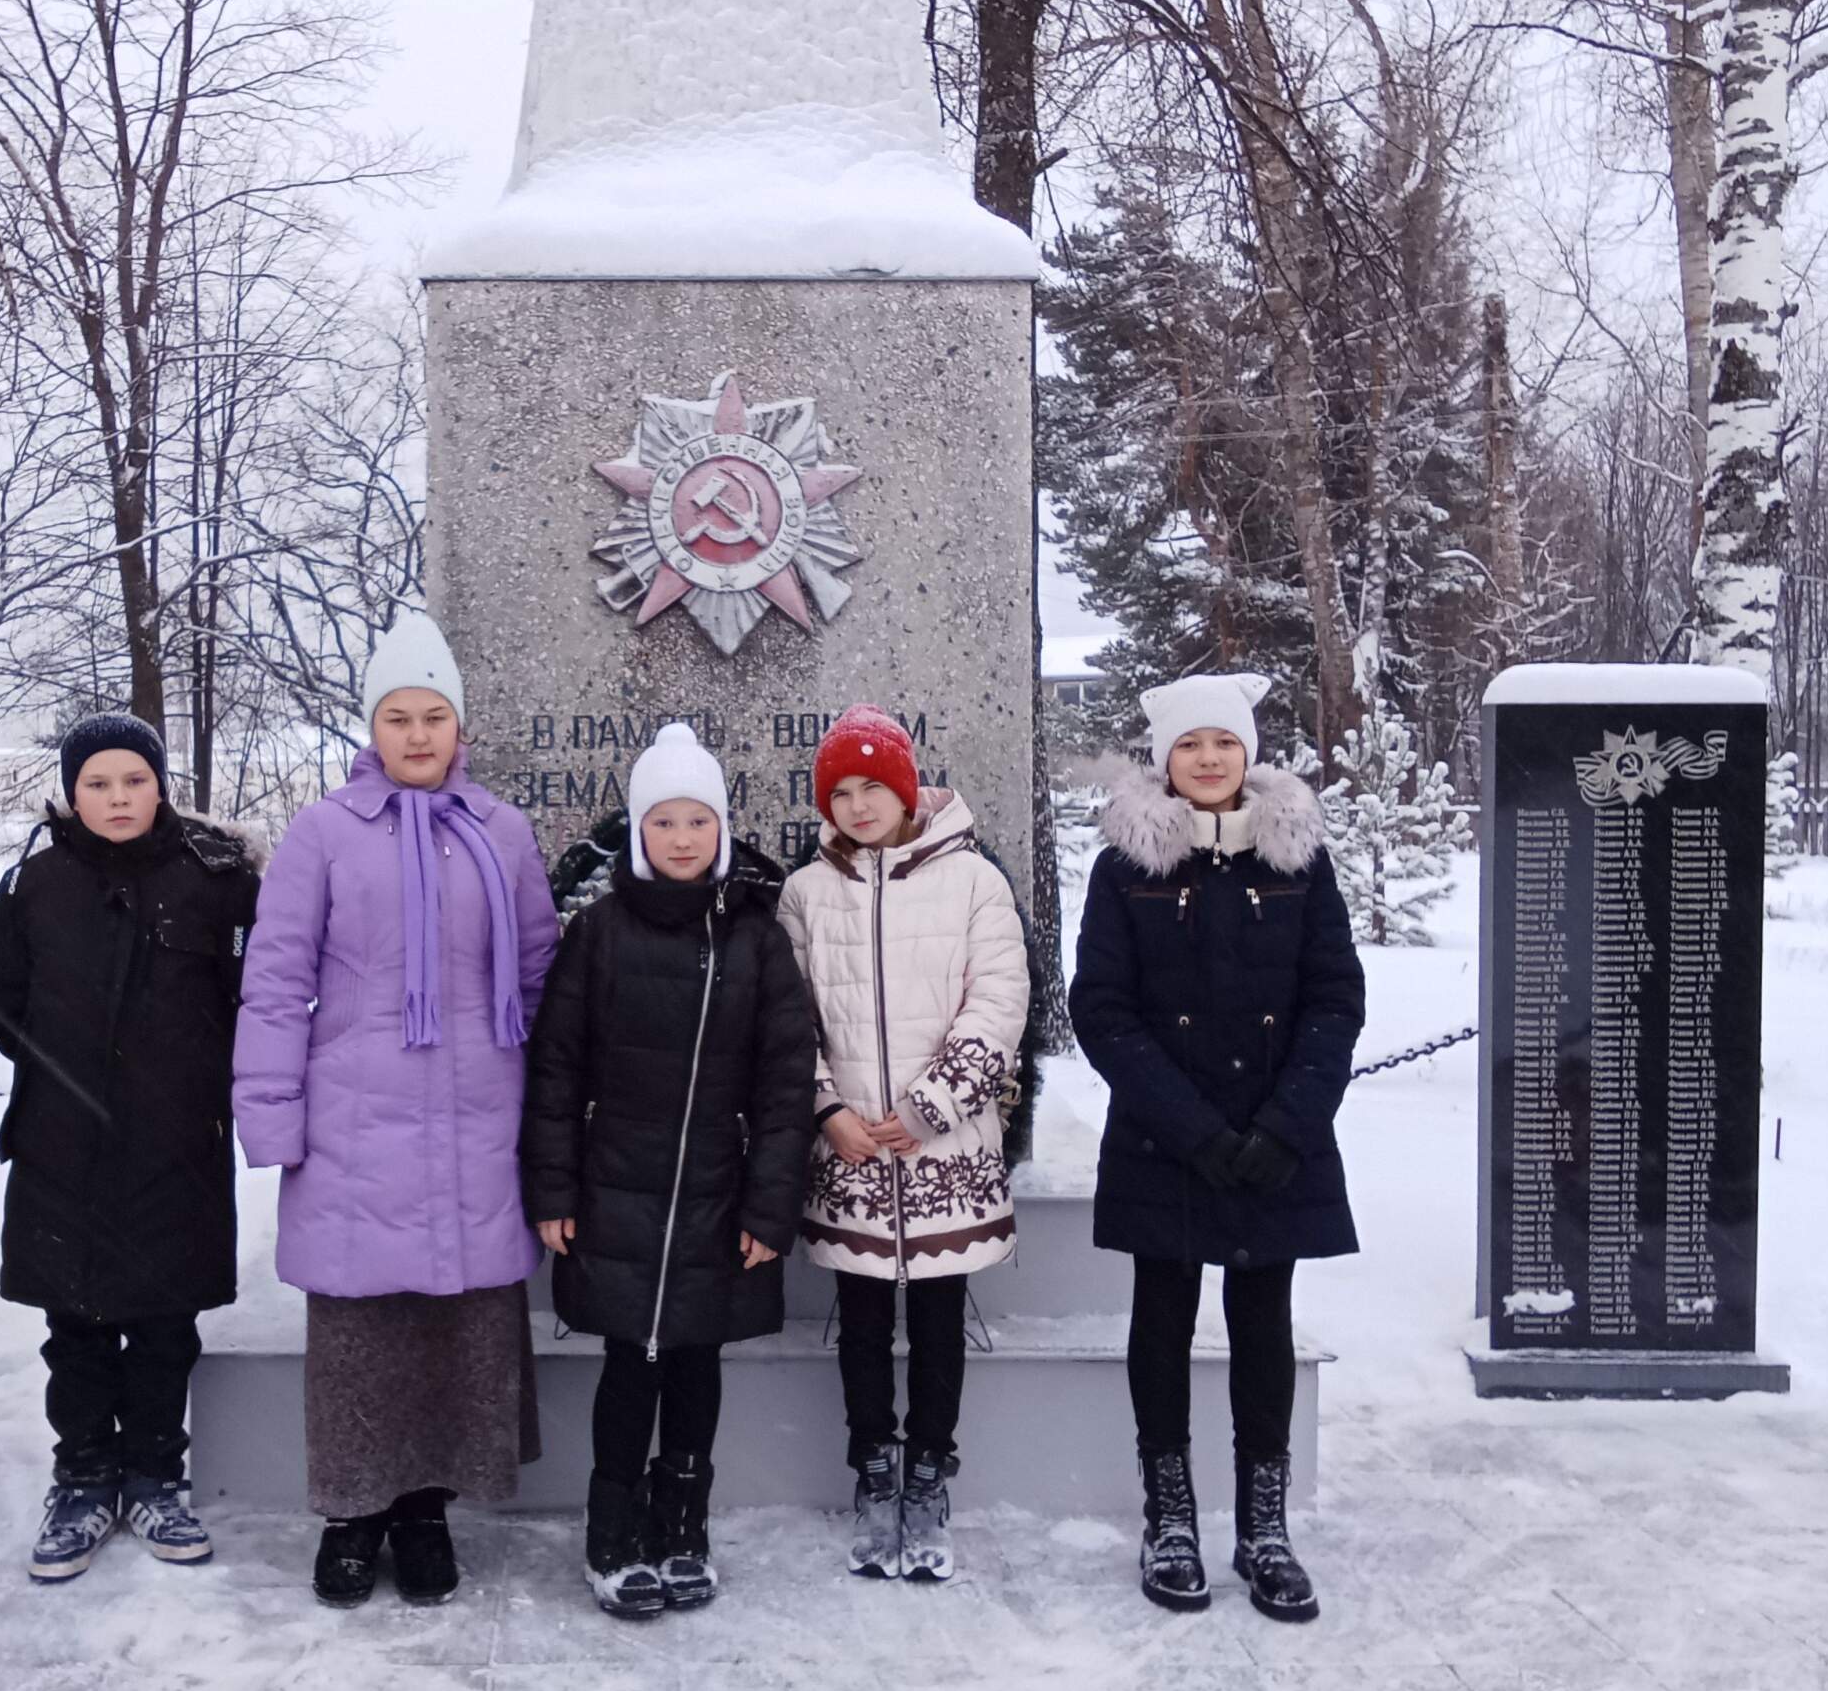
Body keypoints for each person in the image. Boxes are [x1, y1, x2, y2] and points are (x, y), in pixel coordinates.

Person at [232, 614, 559, 1608]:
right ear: (370, 728)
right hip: (354, 1127)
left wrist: (548, 1116)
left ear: (459, 727)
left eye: (433, 718)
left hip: (476, 1118)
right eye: (396, 718)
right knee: (360, 1332)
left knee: (459, 1328)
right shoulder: (322, 832)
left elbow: (541, 972)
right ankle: (350, 1513)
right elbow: (276, 981)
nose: (416, 737)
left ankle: (425, 1509)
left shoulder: (500, 831)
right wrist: (274, 1120)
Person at [1068, 672, 1364, 1624]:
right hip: (1169, 1139)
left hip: (1277, 1137)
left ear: (1248, 755)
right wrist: (1191, 1127)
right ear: (1165, 760)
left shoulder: (1300, 861)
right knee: (1161, 1318)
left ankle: (1264, 1527)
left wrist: (1287, 1126)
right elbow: (1103, 1009)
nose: (1207, 759)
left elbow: (1335, 998)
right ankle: (1172, 1517)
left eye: (1224, 744)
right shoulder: (1126, 869)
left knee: (1263, 1324)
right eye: (1190, 745)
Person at [520, 723, 817, 1617]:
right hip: (617, 1192)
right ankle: (612, 1529)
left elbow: (783, 1083)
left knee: (695, 1363)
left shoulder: (757, 941)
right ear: (638, 833)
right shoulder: (599, 934)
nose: (682, 838)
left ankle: (683, 1521)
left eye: (698, 821)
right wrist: (554, 1190)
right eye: (663, 822)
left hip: (718, 1198)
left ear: (721, 831)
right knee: (630, 1365)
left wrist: (771, 1207)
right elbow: (556, 1070)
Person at [0, 713, 261, 1582]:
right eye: (97, 783)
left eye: (133, 781)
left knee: (166, 1319)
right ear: (71, 792)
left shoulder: (219, 881)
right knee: (79, 1321)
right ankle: (84, 1478)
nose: (116, 798)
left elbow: (257, 996)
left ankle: (154, 1475)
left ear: (160, 785)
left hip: (180, 1137)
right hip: (65, 1142)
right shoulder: (33, 883)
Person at [777, 705, 1030, 1582]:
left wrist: (933, 1105)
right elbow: (786, 1016)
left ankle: (929, 1471)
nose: (857, 805)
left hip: (940, 1151)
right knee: (861, 1325)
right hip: (850, 1148)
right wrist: (825, 1108)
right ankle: (873, 1472)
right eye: (839, 792)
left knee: (936, 1322)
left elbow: (998, 1000)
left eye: (872, 787)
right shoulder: (807, 893)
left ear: (907, 788)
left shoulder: (971, 883)